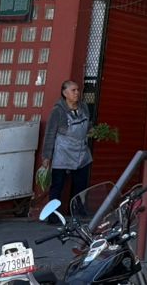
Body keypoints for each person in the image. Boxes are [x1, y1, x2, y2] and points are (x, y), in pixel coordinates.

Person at [40, 80, 93, 208]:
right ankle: (53, 215)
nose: (77, 93)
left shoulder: (84, 107)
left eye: (77, 90)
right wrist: (46, 157)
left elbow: (88, 126)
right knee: (57, 185)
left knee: (81, 186)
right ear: (65, 93)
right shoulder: (57, 111)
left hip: (81, 153)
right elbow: (49, 134)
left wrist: (93, 131)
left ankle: (78, 212)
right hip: (63, 153)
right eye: (73, 90)